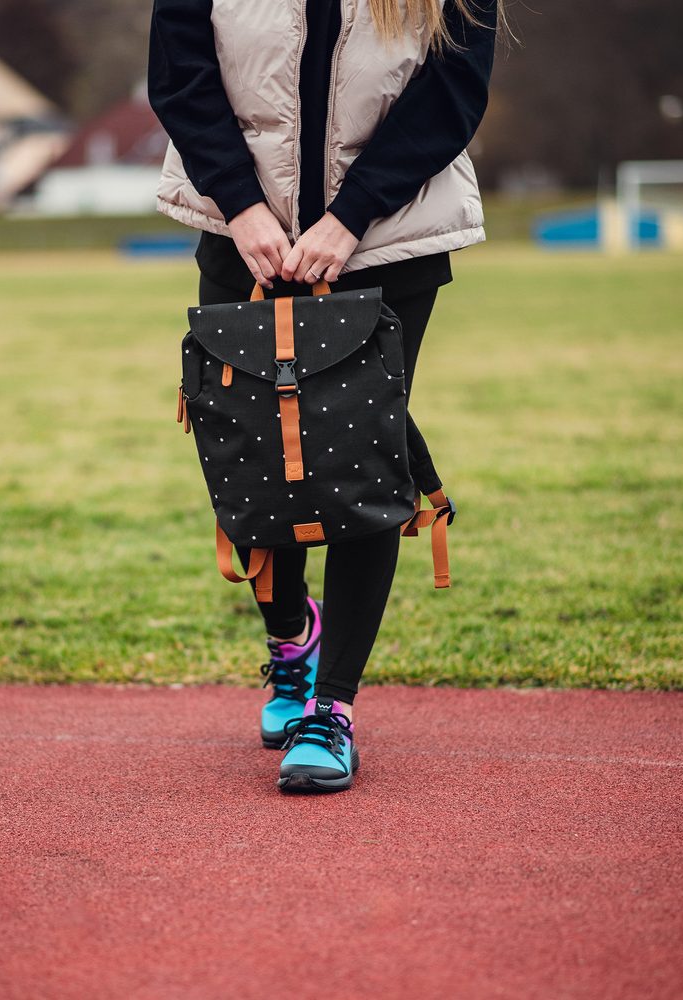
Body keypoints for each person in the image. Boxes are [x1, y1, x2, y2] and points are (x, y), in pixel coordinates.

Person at [148, 0, 505, 793]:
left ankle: (330, 709)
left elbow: (453, 89)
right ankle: (290, 640)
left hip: (386, 240)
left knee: (360, 458)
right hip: (245, 239)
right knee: (251, 448)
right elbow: (180, 75)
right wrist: (241, 208)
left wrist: (348, 220)